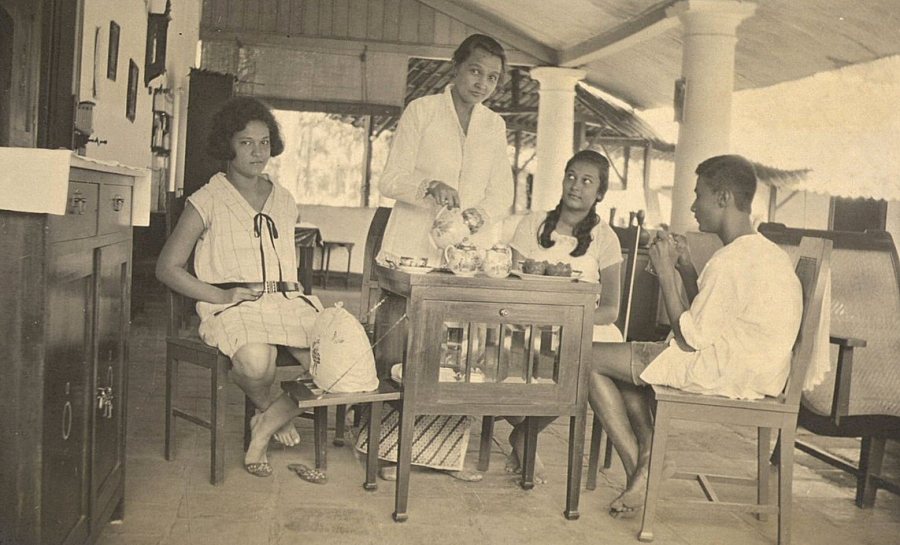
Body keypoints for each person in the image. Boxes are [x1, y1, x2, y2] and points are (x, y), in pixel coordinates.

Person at [589, 154, 803, 517]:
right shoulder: (761, 252)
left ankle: (642, 466)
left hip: (726, 370)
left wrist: (665, 273)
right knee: (619, 363)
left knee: (586, 358)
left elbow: (690, 337)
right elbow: (710, 317)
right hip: (754, 367)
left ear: (723, 198)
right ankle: (649, 457)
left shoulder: (731, 260)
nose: (692, 206)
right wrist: (686, 269)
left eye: (698, 195)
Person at [356, 33, 514, 482]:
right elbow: (391, 179)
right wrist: (429, 186)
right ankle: (390, 451)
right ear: (456, 67)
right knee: (406, 348)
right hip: (412, 248)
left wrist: (477, 217)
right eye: (475, 70)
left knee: (459, 352)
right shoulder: (422, 111)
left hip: (464, 252)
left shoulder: (494, 126)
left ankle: (444, 454)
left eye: (492, 77)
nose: (482, 82)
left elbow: (501, 192)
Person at [156, 97, 320, 478]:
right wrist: (220, 295)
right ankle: (273, 413)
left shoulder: (284, 199)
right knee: (256, 360)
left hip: (288, 303)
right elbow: (167, 268)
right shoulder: (207, 200)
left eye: (264, 142)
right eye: (246, 142)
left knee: (339, 361)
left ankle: (266, 421)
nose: (258, 152)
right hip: (235, 306)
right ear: (226, 144)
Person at [506, 149, 623, 483]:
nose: (576, 186)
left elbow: (611, 308)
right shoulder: (533, 223)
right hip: (529, 319)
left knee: (581, 354)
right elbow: (511, 283)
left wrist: (571, 320)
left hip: (581, 325)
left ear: (599, 192)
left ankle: (526, 434)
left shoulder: (605, 238)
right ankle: (524, 431)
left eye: (587, 181)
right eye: (571, 176)